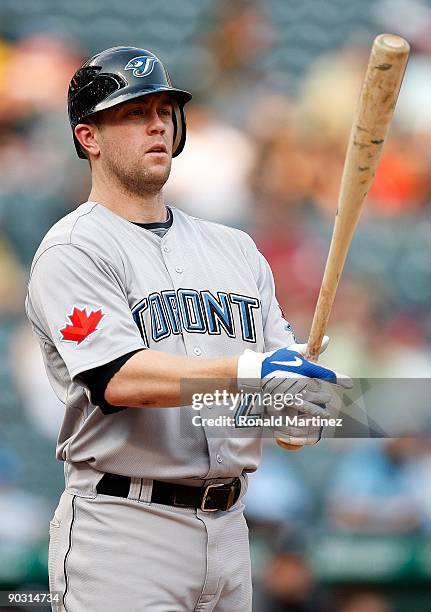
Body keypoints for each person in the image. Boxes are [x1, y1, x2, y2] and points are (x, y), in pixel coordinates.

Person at [25, 46, 351, 612]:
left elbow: (285, 419)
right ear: (88, 138)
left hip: (231, 531)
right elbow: (119, 379)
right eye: (133, 113)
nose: (156, 124)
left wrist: (305, 399)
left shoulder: (236, 249)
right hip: (125, 530)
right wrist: (253, 371)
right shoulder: (74, 248)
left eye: (163, 111)